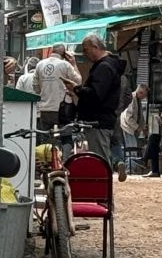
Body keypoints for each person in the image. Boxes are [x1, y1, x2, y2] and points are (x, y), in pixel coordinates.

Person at [77, 35, 127, 174]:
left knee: (100, 163)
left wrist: (78, 90)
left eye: (86, 50)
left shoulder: (104, 67)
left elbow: (96, 95)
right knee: (104, 155)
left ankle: (106, 185)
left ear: (95, 47)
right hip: (107, 118)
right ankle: (117, 162)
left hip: (98, 121)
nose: (84, 54)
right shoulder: (108, 66)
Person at [33, 44, 81, 138]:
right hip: (62, 109)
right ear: (64, 54)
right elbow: (78, 81)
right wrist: (74, 64)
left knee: (45, 138)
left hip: (45, 108)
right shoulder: (65, 65)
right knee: (65, 137)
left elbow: (36, 88)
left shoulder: (40, 64)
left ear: (52, 51)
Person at [119, 84, 148, 163]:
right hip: (128, 127)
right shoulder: (131, 99)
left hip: (133, 128)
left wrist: (143, 127)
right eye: (144, 95)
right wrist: (138, 127)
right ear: (140, 92)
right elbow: (128, 118)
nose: (144, 98)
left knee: (133, 148)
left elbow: (140, 115)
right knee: (131, 149)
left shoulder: (138, 99)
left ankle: (132, 166)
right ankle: (130, 167)